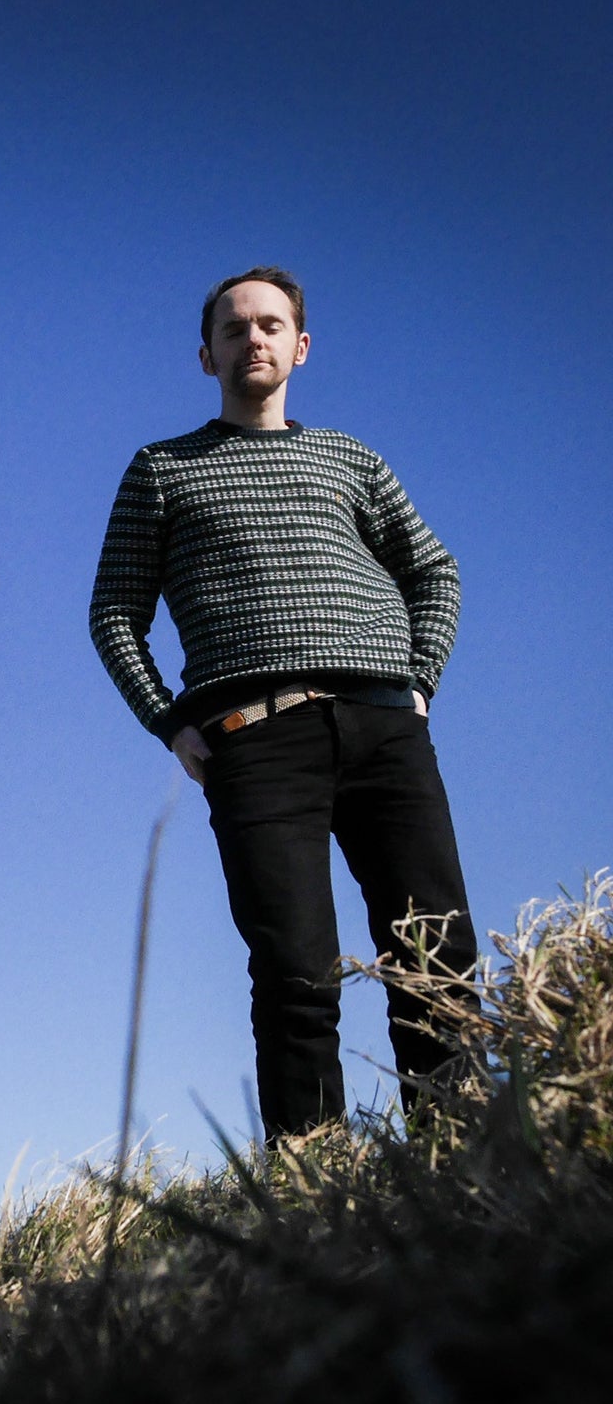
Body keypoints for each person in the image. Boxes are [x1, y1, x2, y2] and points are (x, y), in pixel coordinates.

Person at [89, 266, 476, 1142]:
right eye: (234, 329)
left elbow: (433, 571)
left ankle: (465, 1160)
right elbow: (114, 612)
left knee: (436, 951)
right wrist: (167, 720)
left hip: (385, 729)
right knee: (298, 972)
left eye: (270, 325)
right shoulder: (162, 470)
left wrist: (419, 681)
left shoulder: (351, 458)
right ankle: (314, 1183)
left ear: (300, 346)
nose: (252, 339)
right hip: (255, 742)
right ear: (206, 354)